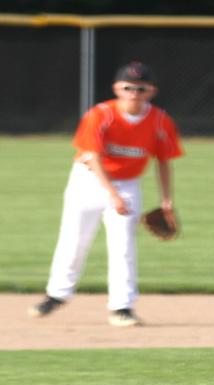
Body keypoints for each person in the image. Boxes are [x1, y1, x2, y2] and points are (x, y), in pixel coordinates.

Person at [27, 61, 183, 328]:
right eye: (128, 87)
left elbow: (164, 160)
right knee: (74, 239)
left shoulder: (159, 121)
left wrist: (166, 200)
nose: (134, 92)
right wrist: (113, 195)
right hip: (87, 180)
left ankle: (122, 307)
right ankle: (57, 295)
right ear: (116, 88)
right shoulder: (101, 115)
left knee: (123, 245)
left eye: (141, 88)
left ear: (152, 91)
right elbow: (94, 157)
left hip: (128, 183)